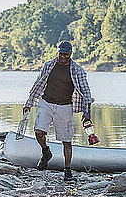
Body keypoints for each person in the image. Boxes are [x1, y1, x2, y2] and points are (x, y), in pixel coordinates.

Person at [23, 41, 93, 181]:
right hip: (46, 103)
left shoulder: (77, 70)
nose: (62, 56)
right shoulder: (49, 65)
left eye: (65, 54)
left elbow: (86, 92)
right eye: (60, 53)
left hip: (65, 107)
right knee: (38, 132)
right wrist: (29, 103)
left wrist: (87, 112)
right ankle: (46, 152)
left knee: (66, 141)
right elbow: (38, 83)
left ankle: (67, 172)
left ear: (70, 54)